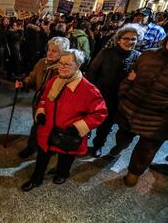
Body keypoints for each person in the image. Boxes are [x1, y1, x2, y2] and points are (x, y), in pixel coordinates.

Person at [21, 49, 107, 191]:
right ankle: (36, 178)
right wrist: (41, 112)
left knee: (66, 157)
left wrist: (79, 127)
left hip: (69, 133)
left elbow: (100, 113)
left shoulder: (88, 89)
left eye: (67, 64)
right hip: (47, 130)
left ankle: (62, 173)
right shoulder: (54, 81)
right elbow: (43, 99)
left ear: (78, 66)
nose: (61, 67)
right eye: (60, 63)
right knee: (42, 156)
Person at [108, 33, 168, 187]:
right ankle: (117, 149)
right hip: (131, 108)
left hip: (159, 118)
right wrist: (124, 93)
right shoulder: (149, 55)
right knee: (123, 136)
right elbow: (131, 76)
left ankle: (133, 173)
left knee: (146, 149)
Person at [86, 24, 142, 157]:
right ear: (119, 39)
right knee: (88, 120)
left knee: (106, 125)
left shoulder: (138, 57)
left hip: (118, 98)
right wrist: (90, 92)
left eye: (133, 39)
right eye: (126, 38)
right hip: (99, 94)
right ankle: (81, 142)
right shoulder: (106, 52)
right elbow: (92, 71)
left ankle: (98, 145)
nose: (129, 42)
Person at [16, 37, 70, 159]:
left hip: (54, 105)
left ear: (62, 53)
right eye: (49, 49)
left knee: (49, 128)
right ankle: (32, 146)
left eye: (54, 51)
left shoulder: (64, 68)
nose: (50, 53)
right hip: (39, 102)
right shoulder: (41, 62)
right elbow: (32, 76)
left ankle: (47, 148)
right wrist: (24, 83)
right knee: (37, 125)